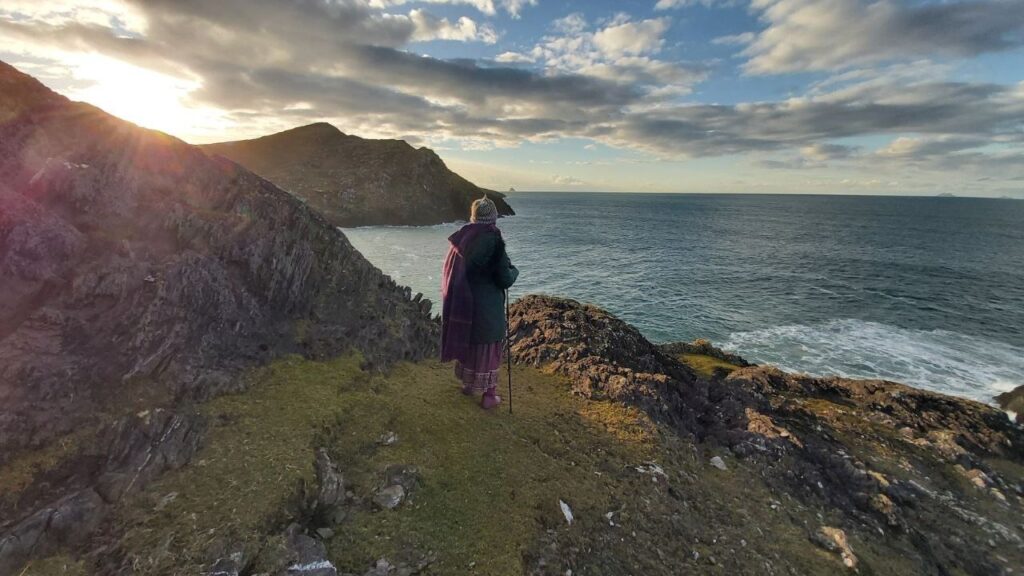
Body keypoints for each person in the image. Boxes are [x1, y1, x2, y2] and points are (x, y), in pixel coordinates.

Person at [440, 195, 519, 409]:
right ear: (493, 218)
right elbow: (504, 279)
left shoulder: (461, 237)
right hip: (486, 307)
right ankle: (489, 396)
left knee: (472, 343)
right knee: (489, 347)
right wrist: (514, 271)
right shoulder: (494, 242)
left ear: (473, 217)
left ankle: (468, 386)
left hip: (464, 304)